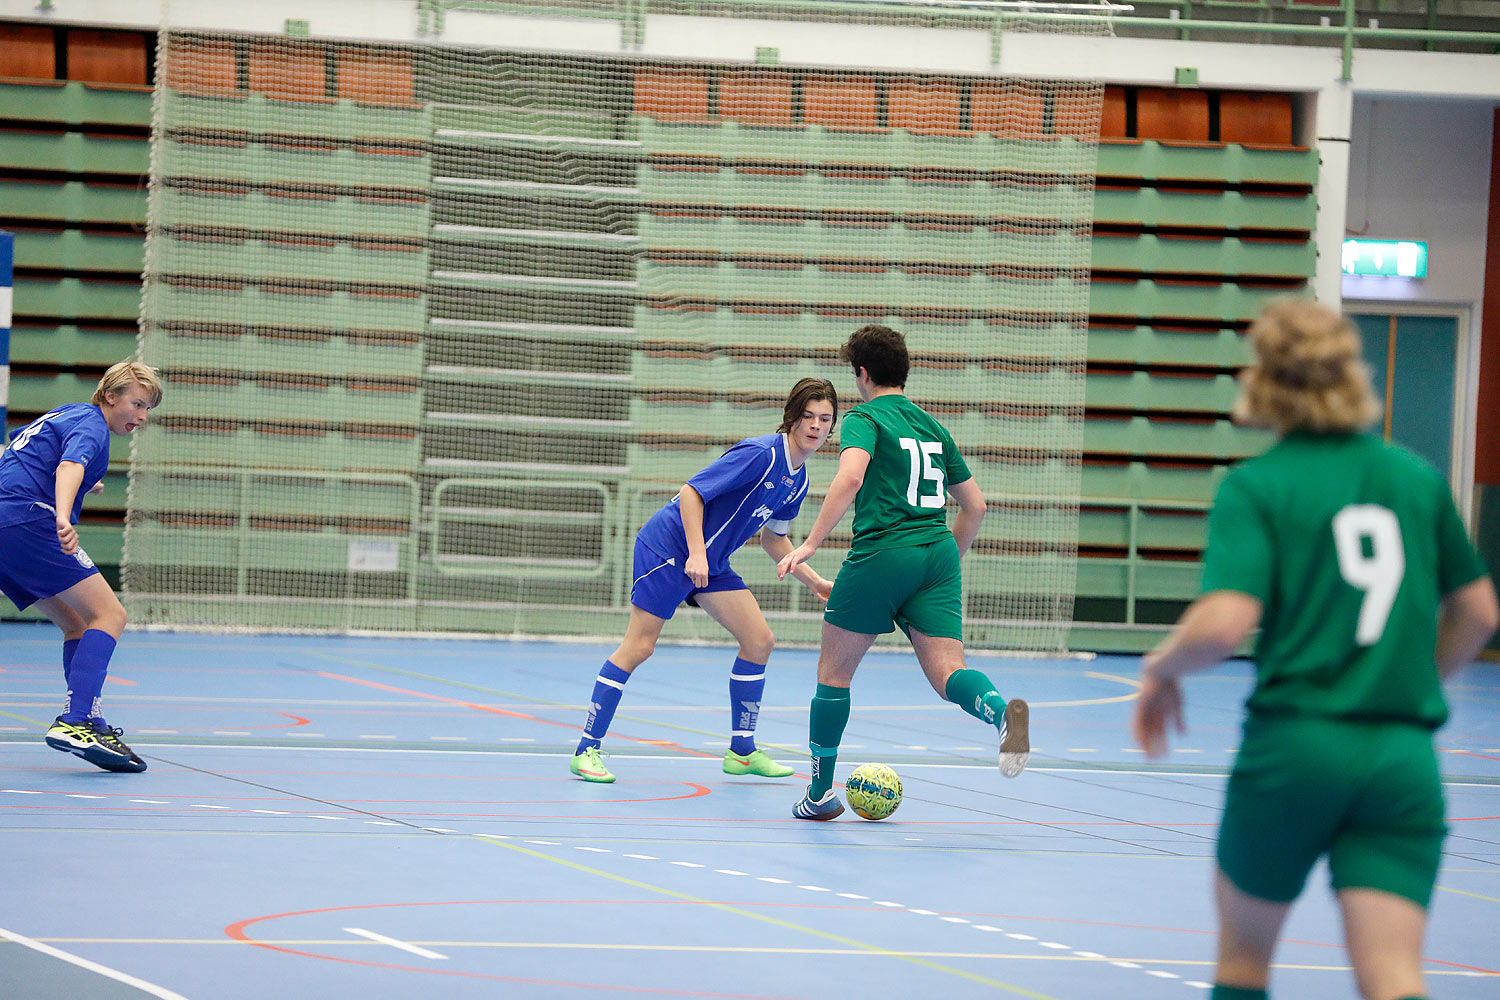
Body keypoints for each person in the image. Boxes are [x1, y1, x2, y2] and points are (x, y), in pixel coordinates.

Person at [1131, 299, 1499, 1000]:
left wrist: (1161, 667)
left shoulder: (1260, 486)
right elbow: (1479, 612)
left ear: (1263, 378)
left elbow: (1221, 626)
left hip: (1296, 747)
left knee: (1244, 966)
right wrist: (1412, 683)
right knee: (1394, 977)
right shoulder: (1416, 478)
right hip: (1401, 757)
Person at [776, 324, 1030, 821]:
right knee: (948, 674)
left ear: (862, 374)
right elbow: (975, 506)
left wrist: (809, 543)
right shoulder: (932, 425)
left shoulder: (866, 417)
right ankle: (1003, 713)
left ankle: (821, 795)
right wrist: (943, 564)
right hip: (936, 552)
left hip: (882, 552)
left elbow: (851, 476)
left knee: (833, 674)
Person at [569, 377, 839, 783]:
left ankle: (742, 752)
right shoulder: (760, 454)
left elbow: (774, 539)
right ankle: (586, 749)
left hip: (709, 561)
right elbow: (692, 493)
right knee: (639, 647)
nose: (816, 426)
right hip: (670, 547)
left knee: (759, 640)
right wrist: (696, 551)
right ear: (792, 418)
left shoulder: (798, 479)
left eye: (825, 419)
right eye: (808, 416)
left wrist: (814, 581)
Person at [0, 360, 165, 773]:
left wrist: (81, 481)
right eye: (138, 404)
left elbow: (20, 446)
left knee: (77, 622)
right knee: (110, 614)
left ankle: (88, 717)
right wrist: (60, 511)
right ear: (110, 396)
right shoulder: (91, 425)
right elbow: (67, 465)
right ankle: (75, 723)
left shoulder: (65, 412)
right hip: (28, 521)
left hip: (6, 523)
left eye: (148, 409)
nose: (142, 417)